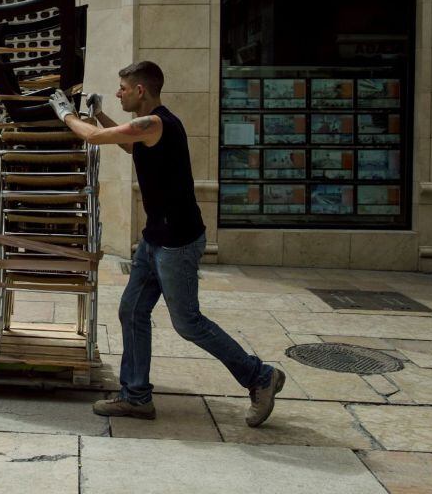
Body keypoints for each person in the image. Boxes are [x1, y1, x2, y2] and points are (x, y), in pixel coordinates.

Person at [49, 61, 284, 428]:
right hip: (156, 237)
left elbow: (93, 139)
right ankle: (136, 397)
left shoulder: (157, 123)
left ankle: (260, 377)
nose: (119, 92)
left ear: (141, 90)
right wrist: (101, 114)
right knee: (132, 310)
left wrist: (66, 114)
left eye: (123, 88)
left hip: (177, 242)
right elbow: (128, 145)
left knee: (188, 323)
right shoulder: (148, 130)